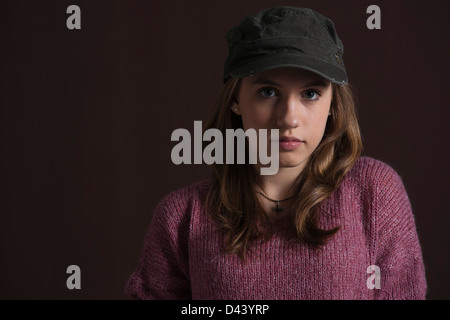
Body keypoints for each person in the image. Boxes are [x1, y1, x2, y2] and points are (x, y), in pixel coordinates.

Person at [125, 6, 427, 300]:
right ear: (236, 101)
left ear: (333, 105)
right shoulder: (181, 217)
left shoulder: (373, 194)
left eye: (310, 94)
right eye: (268, 92)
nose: (288, 118)